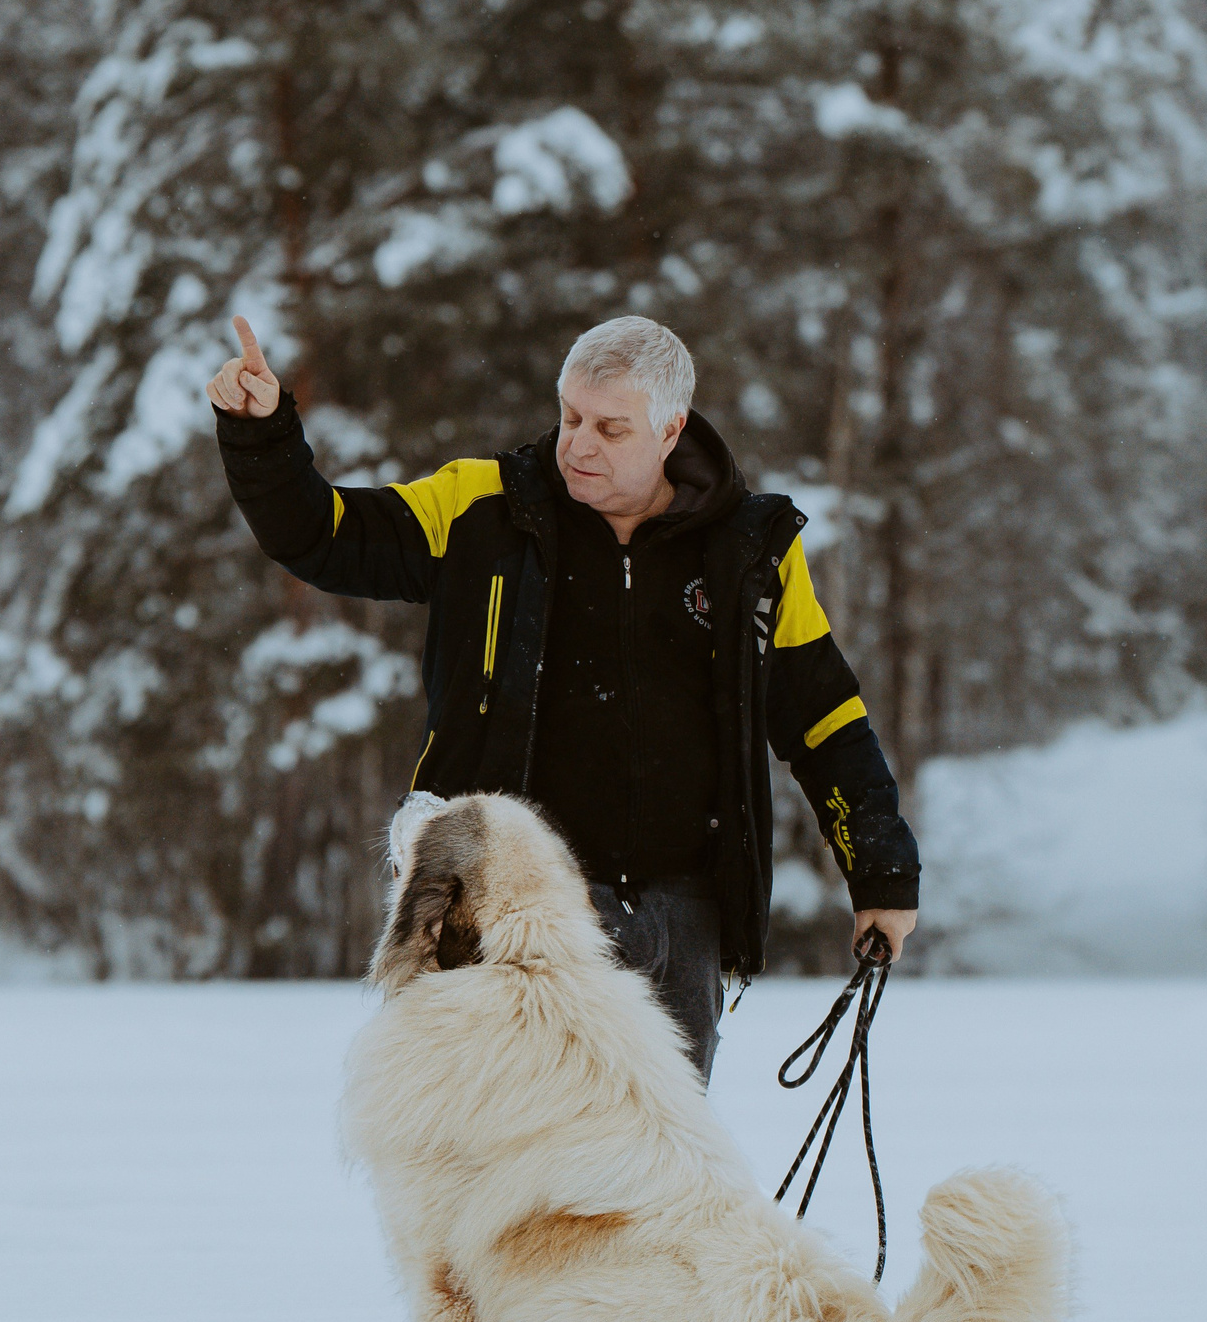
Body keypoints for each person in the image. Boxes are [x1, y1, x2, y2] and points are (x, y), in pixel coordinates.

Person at [209, 313, 919, 1079]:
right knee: (493, 1161)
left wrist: (880, 873)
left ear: (671, 428)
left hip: (681, 917)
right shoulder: (480, 506)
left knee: (647, 1173)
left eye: (611, 429)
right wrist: (261, 432)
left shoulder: (755, 551)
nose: (578, 443)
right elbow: (322, 534)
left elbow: (825, 719)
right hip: (498, 913)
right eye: (570, 416)